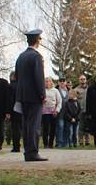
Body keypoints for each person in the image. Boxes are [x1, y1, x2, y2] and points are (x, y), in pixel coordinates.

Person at [15, 29, 47, 162]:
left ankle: (27, 151)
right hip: (34, 96)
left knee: (26, 124)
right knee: (34, 124)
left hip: (22, 95)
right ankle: (33, 152)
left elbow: (17, 76)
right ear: (37, 40)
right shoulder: (36, 57)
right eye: (40, 39)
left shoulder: (21, 56)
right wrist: (42, 94)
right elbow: (39, 77)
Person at [41, 77, 61, 148]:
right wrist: (42, 101)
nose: (47, 83)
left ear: (51, 82)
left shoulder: (55, 91)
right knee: (45, 128)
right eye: (45, 81)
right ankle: (45, 144)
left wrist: (57, 110)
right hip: (44, 112)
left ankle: (51, 144)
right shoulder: (42, 90)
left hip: (53, 112)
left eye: (48, 81)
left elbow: (59, 102)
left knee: (53, 128)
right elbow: (38, 100)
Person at [6, 71, 21, 153]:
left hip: (14, 109)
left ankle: (16, 146)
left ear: (12, 77)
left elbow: (9, 100)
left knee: (15, 129)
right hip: (23, 109)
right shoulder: (21, 85)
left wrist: (8, 111)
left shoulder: (10, 86)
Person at [75, 74, 90, 146]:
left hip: (88, 110)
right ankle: (81, 141)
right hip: (80, 111)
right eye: (81, 79)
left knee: (87, 126)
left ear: (86, 80)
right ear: (79, 80)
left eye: (84, 79)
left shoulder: (90, 89)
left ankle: (87, 141)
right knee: (81, 127)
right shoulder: (76, 90)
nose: (82, 81)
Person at [55, 77, 70, 147]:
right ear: (58, 83)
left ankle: (66, 143)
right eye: (60, 81)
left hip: (68, 113)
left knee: (67, 128)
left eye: (63, 81)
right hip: (60, 112)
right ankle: (59, 143)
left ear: (65, 83)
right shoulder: (56, 90)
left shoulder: (69, 91)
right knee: (60, 127)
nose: (62, 82)